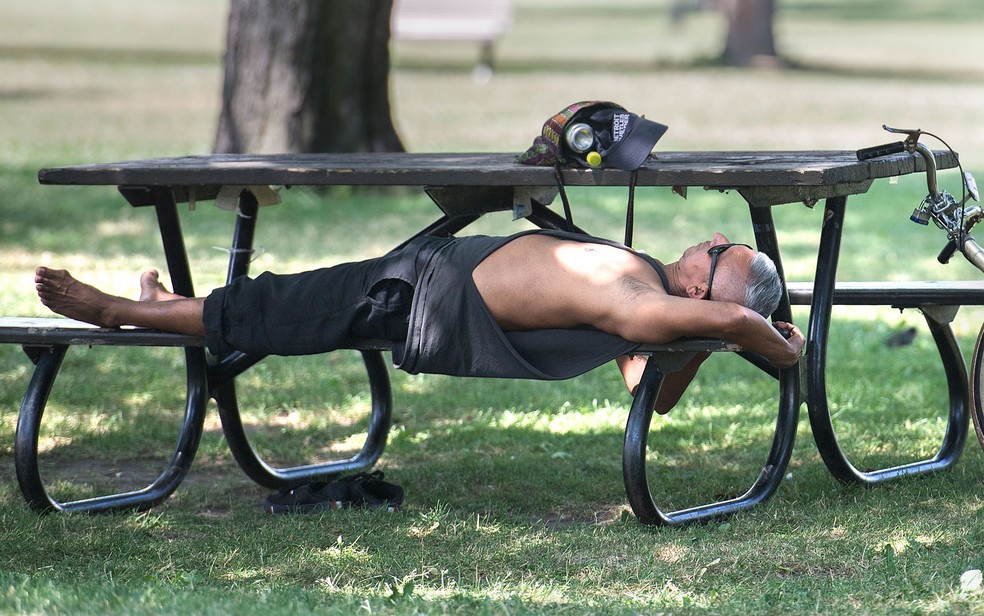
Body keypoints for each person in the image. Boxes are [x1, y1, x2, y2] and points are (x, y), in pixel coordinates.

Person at [34, 229, 805, 414]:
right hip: (431, 274)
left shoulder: (643, 305)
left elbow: (727, 325)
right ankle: (166, 304)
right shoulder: (647, 303)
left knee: (280, 308)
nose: (705, 241)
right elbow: (654, 389)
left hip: (416, 299)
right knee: (285, 300)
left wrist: (773, 348)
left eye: (717, 254)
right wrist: (713, 337)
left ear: (706, 294)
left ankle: (118, 311)